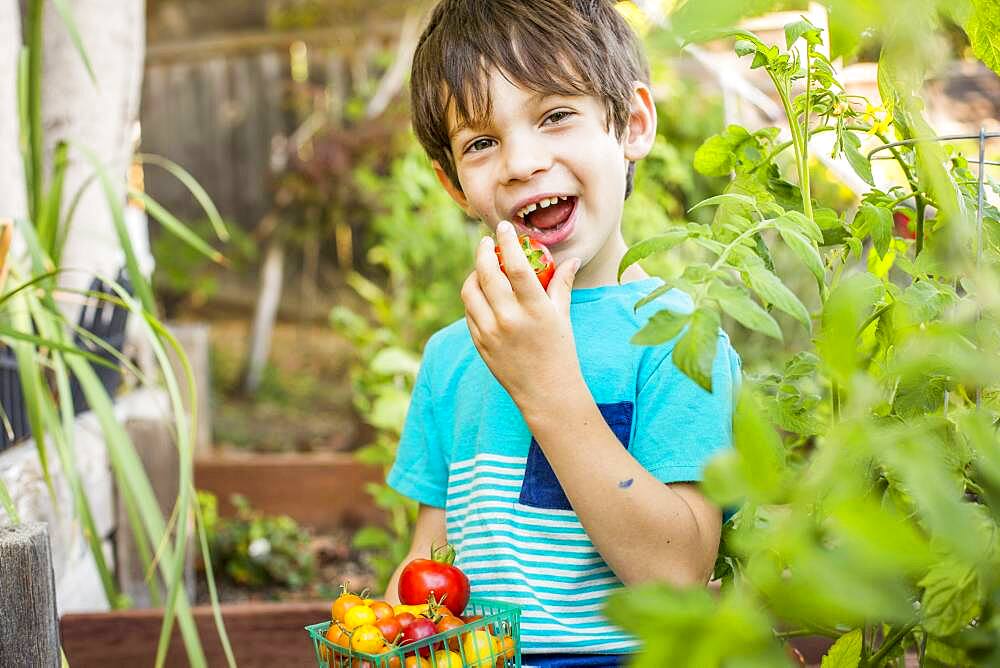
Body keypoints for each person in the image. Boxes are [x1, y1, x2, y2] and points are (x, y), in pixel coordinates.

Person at [385, 1, 741, 665]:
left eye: (554, 115)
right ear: (454, 184)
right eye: (481, 142)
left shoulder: (678, 339)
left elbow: (678, 574)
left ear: (631, 124)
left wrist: (547, 384)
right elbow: (428, 561)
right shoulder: (452, 354)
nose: (521, 162)